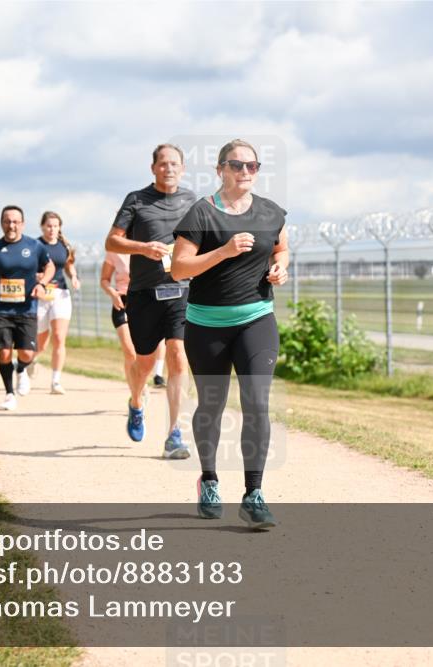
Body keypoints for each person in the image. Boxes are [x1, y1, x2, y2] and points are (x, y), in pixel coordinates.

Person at [172, 138, 290, 530]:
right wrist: (223, 251)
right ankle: (208, 479)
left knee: (256, 401)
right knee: (211, 406)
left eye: (252, 166)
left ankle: (254, 494)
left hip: (257, 319)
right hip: (207, 325)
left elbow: (281, 248)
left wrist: (281, 268)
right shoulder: (201, 213)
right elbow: (179, 269)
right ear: (220, 169)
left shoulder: (271, 212)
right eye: (237, 166)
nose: (245, 173)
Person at [105, 143, 195, 459]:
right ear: (153, 167)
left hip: (181, 290)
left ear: (182, 169)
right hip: (144, 293)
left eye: (174, 164)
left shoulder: (191, 201)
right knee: (144, 362)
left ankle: (174, 433)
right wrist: (143, 248)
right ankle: (136, 401)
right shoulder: (137, 200)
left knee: (177, 353)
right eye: (163, 163)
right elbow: (112, 240)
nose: (168, 168)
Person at [0, 205, 55, 410]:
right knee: (3, 353)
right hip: (1, 309)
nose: (11, 225)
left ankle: (21, 369)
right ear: (2, 223)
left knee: (27, 354)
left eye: (15, 221)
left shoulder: (35, 246)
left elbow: (50, 267)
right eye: (7, 221)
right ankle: (9, 394)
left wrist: (41, 284)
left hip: (27, 308)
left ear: (22, 223)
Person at [100, 251, 166, 387]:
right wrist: (112, 293)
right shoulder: (114, 251)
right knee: (130, 352)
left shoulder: (149, 245)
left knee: (152, 348)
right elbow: (104, 279)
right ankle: (137, 391)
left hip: (146, 300)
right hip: (122, 301)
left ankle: (155, 376)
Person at [33, 211, 80, 395]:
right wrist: (36, 276)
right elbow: (28, 266)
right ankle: (27, 360)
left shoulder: (64, 246)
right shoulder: (36, 245)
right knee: (41, 343)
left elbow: (69, 264)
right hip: (41, 295)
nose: (52, 229)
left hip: (61, 294)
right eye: (49, 226)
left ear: (59, 227)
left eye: (55, 226)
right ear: (42, 226)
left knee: (59, 338)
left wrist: (74, 277)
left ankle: (55, 381)